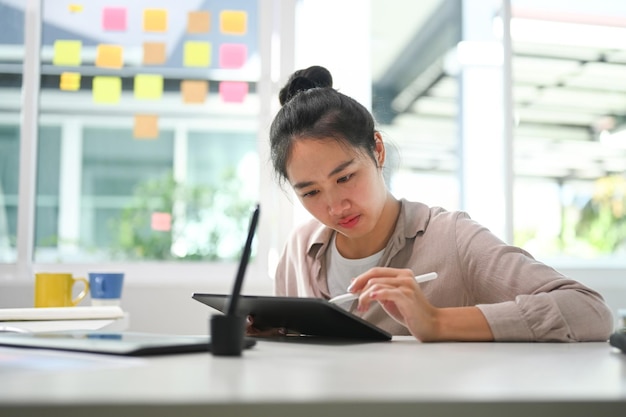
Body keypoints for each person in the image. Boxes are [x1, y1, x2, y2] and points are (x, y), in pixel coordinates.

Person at [255, 65, 613, 342]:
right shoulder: (300, 250)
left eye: (345, 177)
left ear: (377, 150)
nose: (335, 207)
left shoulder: (451, 239)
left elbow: (589, 311)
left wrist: (437, 321)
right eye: (311, 193)